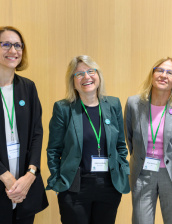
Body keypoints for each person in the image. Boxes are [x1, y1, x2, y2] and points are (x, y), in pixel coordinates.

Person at [46, 55, 130, 224]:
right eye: (79, 74)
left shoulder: (113, 105)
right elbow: (53, 150)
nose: (86, 77)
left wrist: (124, 170)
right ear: (73, 80)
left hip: (109, 185)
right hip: (75, 186)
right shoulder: (63, 108)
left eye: (91, 71)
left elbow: (121, 144)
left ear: (98, 75)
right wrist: (57, 181)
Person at [124, 57, 172, 224]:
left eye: (170, 72)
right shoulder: (134, 103)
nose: (164, 75)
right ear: (152, 73)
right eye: (160, 70)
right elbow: (129, 138)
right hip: (142, 173)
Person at [0, 26, 48, 224]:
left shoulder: (28, 87)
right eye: (6, 44)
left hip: (25, 183)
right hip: (4, 180)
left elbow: (37, 132)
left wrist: (31, 174)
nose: (13, 51)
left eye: (18, 45)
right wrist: (4, 175)